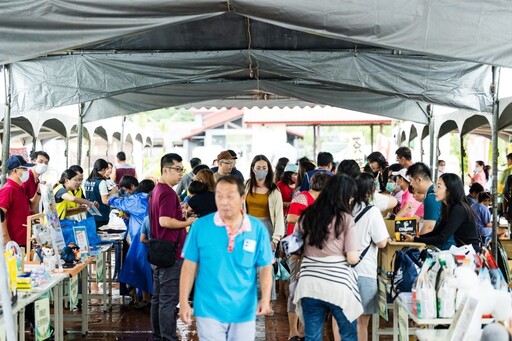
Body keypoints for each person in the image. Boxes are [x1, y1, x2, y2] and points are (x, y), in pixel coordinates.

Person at [179, 175, 273, 340]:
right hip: (208, 307)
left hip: (244, 309)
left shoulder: (257, 229)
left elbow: (265, 267)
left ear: (242, 198)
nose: (223, 201)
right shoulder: (200, 226)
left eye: (230, 196)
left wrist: (265, 299)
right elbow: (189, 265)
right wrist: (184, 301)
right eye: (219, 196)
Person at [293, 174, 362, 341]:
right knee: (348, 335)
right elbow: (352, 258)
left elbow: (294, 248)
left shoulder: (306, 215)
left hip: (309, 284)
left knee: (313, 336)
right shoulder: (345, 218)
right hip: (338, 285)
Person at [149, 153, 196, 341]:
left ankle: (158, 335)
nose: (180, 174)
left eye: (181, 170)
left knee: (158, 299)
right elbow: (165, 221)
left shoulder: (156, 190)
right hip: (171, 252)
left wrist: (181, 215)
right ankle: (168, 337)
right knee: (168, 301)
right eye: (177, 169)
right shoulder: (168, 192)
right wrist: (188, 222)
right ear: (165, 170)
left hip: (158, 249)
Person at [285, 172, 330, 341]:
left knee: (311, 290)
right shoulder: (302, 197)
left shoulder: (326, 202)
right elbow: (290, 218)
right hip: (297, 249)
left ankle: (304, 330)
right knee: (294, 288)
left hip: (316, 249)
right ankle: (292, 332)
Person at [402, 173, 481, 252]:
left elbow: (442, 238)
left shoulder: (459, 209)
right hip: (463, 252)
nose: (435, 190)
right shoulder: (448, 207)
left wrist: (415, 240)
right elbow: (437, 232)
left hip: (471, 255)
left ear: (449, 190)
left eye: (439, 187)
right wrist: (416, 238)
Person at [352, 173, 389, 341]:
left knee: (344, 319)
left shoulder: (345, 208)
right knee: (362, 322)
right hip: (364, 271)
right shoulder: (372, 211)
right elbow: (382, 243)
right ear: (370, 191)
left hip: (343, 271)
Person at [109, 179, 155, 308]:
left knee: (139, 268)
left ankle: (145, 298)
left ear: (136, 187)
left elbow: (114, 202)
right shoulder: (154, 199)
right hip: (154, 238)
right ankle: (149, 297)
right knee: (151, 269)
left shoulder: (136, 199)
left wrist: (113, 195)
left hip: (139, 239)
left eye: (127, 190)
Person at [0, 155, 35, 246]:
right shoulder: (8, 189)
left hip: (23, 239)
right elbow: (1, 214)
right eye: (25, 169)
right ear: (15, 170)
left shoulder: (19, 188)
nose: (27, 172)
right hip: (14, 242)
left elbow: (31, 208)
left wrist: (39, 192)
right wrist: (6, 239)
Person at [406, 162, 442, 235]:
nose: (410, 184)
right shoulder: (432, 194)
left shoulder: (432, 198)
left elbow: (428, 228)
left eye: (411, 180)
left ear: (419, 180)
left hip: (440, 245)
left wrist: (415, 242)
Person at [84, 159, 117, 228]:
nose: (106, 171)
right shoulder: (101, 182)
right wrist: (112, 191)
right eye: (106, 169)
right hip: (101, 215)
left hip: (89, 214)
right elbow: (105, 201)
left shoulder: (87, 181)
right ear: (103, 169)